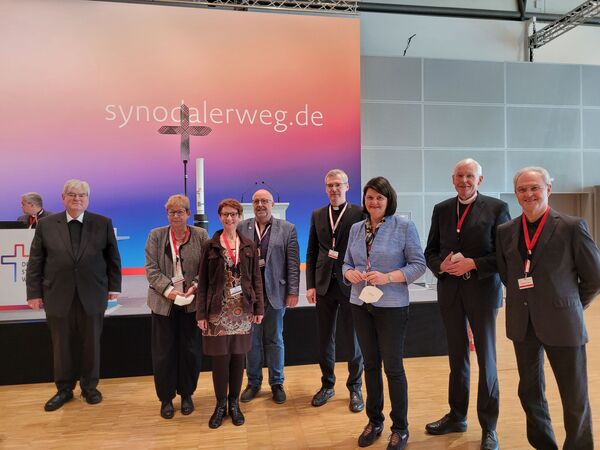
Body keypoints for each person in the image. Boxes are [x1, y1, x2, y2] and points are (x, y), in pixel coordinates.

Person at [497, 166, 600, 450]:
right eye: (522, 189)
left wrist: (572, 305)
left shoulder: (571, 226)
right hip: (522, 323)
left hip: (563, 322)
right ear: (516, 194)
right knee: (529, 393)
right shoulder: (505, 231)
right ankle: (544, 445)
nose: (528, 194)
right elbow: (507, 274)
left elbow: (594, 277)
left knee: (574, 396)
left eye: (535, 188)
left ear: (548, 189)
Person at [424, 158, 510, 450]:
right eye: (459, 175)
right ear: (453, 179)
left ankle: (489, 427)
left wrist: (474, 263)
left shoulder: (497, 209)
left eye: (469, 176)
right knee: (457, 357)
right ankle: (457, 416)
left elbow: (503, 255)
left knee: (486, 359)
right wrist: (442, 266)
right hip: (450, 293)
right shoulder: (442, 209)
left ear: (480, 180)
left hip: (483, 292)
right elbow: (430, 252)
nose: (464, 180)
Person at [343, 176, 426, 450]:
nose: (374, 202)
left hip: (392, 307)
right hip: (360, 304)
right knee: (369, 365)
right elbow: (346, 263)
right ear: (364, 201)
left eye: (379, 197)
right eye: (370, 197)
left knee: (393, 368)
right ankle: (374, 421)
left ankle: (400, 428)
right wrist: (350, 273)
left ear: (388, 200)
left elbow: (418, 265)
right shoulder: (356, 228)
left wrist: (389, 277)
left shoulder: (403, 226)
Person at [26, 179, 121, 411]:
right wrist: (34, 293)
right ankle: (64, 389)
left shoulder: (103, 223)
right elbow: (35, 261)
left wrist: (114, 287)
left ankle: (90, 387)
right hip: (57, 294)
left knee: (91, 344)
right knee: (61, 345)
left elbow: (113, 259)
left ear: (88, 199)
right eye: (72, 194)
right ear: (63, 197)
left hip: (93, 294)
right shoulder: (46, 224)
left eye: (82, 195)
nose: (77, 198)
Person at [196, 199, 264, 429]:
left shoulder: (248, 245)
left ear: (239, 216)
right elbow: (203, 282)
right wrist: (201, 314)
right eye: (225, 214)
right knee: (220, 361)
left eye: (233, 214)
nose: (229, 219)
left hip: (243, 312)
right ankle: (219, 405)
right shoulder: (210, 245)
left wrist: (259, 308)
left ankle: (234, 404)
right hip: (217, 313)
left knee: (238, 358)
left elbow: (256, 279)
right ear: (219, 216)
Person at [306, 169, 365, 412]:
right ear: (325, 187)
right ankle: (327, 384)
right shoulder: (318, 214)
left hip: (350, 283)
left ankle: (355, 387)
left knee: (353, 339)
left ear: (347, 186)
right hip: (323, 285)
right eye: (330, 185)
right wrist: (310, 284)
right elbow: (311, 252)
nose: (334, 189)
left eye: (338, 185)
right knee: (324, 339)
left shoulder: (360, 213)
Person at [145, 194, 208, 419]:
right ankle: (166, 398)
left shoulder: (200, 235)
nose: (176, 216)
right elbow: (151, 269)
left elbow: (207, 266)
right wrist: (170, 292)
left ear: (188, 214)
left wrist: (194, 286)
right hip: (164, 304)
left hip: (191, 303)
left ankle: (187, 394)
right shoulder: (156, 235)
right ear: (167, 214)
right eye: (172, 212)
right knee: (164, 353)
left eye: (180, 211)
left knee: (190, 351)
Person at [238, 189, 300, 404]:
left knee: (275, 340)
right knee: (252, 341)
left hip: (276, 294)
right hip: (251, 297)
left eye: (265, 201)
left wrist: (293, 291)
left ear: (272, 204)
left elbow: (293, 263)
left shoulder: (287, 229)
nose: (260, 205)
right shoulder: (241, 227)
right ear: (252, 205)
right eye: (256, 201)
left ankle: (277, 383)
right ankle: (253, 383)